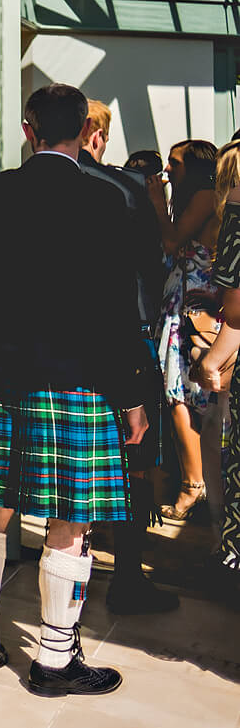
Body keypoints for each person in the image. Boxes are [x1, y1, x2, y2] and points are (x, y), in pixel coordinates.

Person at [0, 83, 148, 697]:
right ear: (85, 132)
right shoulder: (106, 200)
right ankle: (54, 661)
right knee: (71, 520)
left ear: (31, 130)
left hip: (4, 381)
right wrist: (131, 395)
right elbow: (118, 310)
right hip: (81, 385)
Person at [77, 100, 177, 614]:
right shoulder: (125, 189)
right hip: (127, 336)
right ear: (96, 133)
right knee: (133, 461)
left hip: (63, 345)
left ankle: (73, 571)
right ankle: (128, 580)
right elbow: (151, 262)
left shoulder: (33, 186)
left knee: (72, 464)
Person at [151, 138, 223, 522]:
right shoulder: (206, 198)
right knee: (185, 397)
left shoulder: (206, 195)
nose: (167, 172)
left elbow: (172, 240)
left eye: (175, 165)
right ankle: (198, 482)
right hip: (186, 306)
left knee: (178, 394)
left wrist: (155, 202)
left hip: (192, 311)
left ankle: (193, 484)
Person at [189, 139, 240, 588]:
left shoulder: (236, 221)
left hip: (229, 347)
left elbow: (239, 309)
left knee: (218, 445)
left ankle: (224, 553)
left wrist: (211, 361)